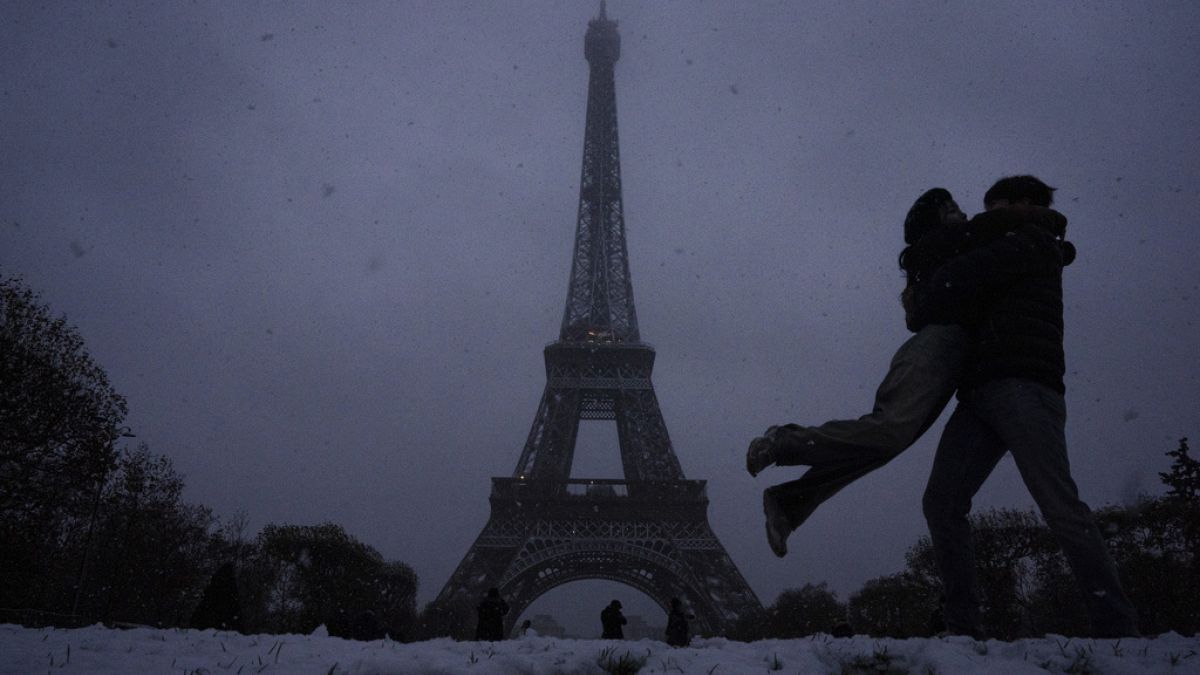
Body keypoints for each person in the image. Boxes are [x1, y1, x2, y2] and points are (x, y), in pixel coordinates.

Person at [746, 186, 1053, 556]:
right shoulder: (948, 241)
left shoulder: (949, 248)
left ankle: (790, 502)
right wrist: (1043, 220)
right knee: (889, 431)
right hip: (939, 345)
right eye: (952, 208)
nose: (963, 213)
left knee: (884, 444)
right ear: (935, 220)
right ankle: (782, 442)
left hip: (954, 360)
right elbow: (993, 233)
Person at [913, 175, 1138, 638]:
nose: (984, 216)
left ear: (1020, 206)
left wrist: (931, 260)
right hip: (983, 392)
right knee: (942, 502)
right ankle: (961, 626)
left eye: (994, 207)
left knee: (1058, 505)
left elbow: (954, 284)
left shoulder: (1032, 243)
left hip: (1021, 387)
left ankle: (1116, 627)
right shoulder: (1017, 244)